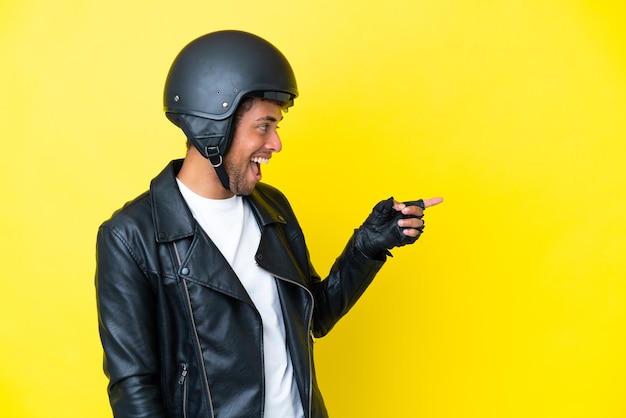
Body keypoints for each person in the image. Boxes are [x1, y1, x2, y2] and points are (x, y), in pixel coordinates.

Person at [95, 30, 443, 418]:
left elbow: (315, 316)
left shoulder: (271, 207)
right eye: (264, 126)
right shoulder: (130, 237)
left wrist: (367, 247)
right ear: (213, 126)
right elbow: (133, 388)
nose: (276, 144)